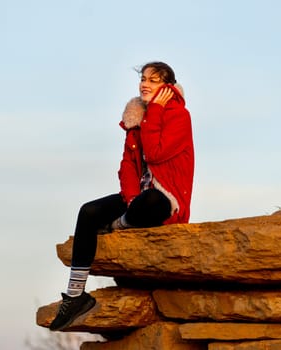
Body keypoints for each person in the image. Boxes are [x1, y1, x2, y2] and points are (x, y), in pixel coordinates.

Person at [49, 61, 195, 331]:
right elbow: (127, 166)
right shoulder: (135, 118)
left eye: (153, 80)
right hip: (137, 199)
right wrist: (129, 200)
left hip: (165, 199)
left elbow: (155, 154)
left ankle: (118, 226)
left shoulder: (177, 116)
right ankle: (75, 295)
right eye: (143, 79)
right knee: (88, 211)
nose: (145, 84)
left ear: (168, 87)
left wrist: (156, 111)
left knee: (150, 201)